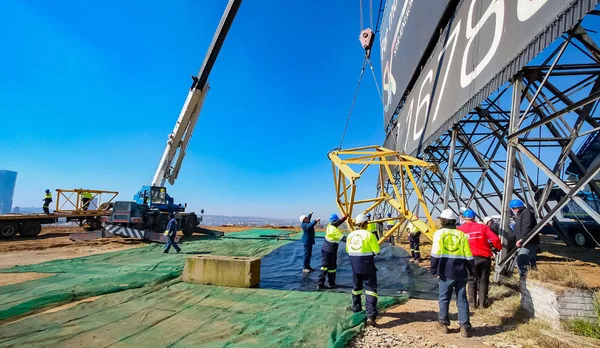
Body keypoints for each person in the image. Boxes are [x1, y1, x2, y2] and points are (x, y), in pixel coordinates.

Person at [431, 209, 475, 338]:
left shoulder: (439, 234)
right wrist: (472, 270)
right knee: (462, 299)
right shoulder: (461, 234)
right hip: (461, 270)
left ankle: (443, 324)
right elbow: (468, 253)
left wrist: (434, 269)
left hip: (446, 270)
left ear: (443, 221)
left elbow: (436, 253)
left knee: (444, 297)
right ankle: (465, 327)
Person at [458, 209, 502, 309]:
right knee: (483, 280)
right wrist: (498, 248)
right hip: (484, 258)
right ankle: (482, 304)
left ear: (464, 218)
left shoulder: (460, 229)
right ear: (474, 217)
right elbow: (495, 239)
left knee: (471, 280)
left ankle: (472, 304)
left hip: (469, 259)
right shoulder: (483, 227)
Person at [347, 213, 381, 326]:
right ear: (365, 223)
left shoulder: (350, 235)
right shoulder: (369, 235)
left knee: (356, 287)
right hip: (367, 264)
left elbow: (348, 250)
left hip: (354, 264)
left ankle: (356, 308)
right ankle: (371, 316)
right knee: (370, 289)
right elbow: (376, 251)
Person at [318, 213, 348, 289]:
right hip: (330, 249)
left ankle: (330, 283)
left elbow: (338, 222)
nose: (338, 222)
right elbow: (344, 239)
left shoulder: (330, 225)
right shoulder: (334, 230)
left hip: (326, 248)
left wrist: (344, 218)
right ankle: (322, 283)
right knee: (327, 267)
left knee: (331, 267)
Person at [511, 199, 539, 278]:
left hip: (528, 241)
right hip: (526, 241)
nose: (514, 211)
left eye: (513, 209)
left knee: (521, 260)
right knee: (530, 262)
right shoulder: (522, 214)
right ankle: (534, 277)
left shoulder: (526, 213)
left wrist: (522, 239)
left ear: (516, 208)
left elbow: (527, 226)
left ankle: (524, 279)